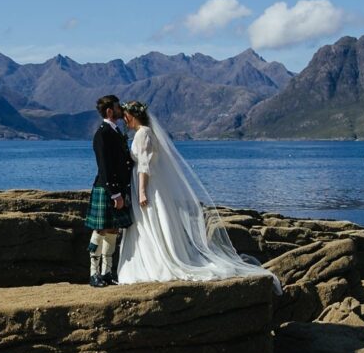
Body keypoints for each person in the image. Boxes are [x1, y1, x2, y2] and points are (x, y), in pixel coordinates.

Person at [114, 100, 282, 295]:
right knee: (155, 223)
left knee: (149, 222)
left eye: (125, 115)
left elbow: (144, 166)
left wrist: (142, 191)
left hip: (148, 187)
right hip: (152, 186)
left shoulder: (142, 134)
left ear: (132, 115)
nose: (124, 119)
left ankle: (156, 262)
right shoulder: (148, 133)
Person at [83, 94, 136, 287]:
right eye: (117, 107)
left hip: (117, 188)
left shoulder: (114, 131)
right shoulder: (102, 133)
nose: (121, 110)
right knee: (101, 229)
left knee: (113, 230)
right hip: (106, 189)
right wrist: (114, 193)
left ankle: (107, 272)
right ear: (109, 111)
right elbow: (104, 166)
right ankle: (93, 273)